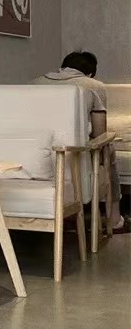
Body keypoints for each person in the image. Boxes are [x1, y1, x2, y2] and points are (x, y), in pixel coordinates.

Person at [33, 51, 126, 233]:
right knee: (109, 150)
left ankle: (69, 217)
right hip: (75, 156)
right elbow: (100, 133)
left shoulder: (34, 83)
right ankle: (114, 218)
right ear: (90, 73)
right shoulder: (93, 86)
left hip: (39, 154)